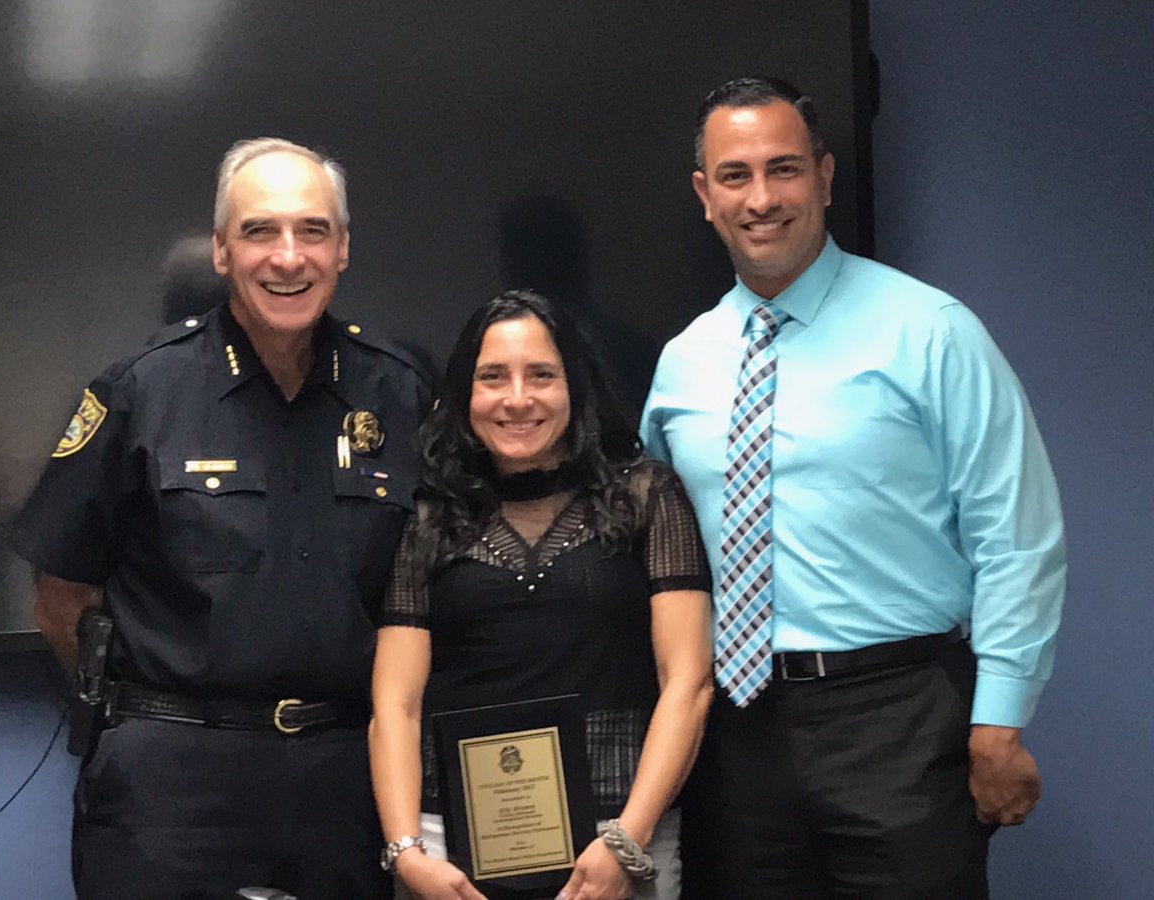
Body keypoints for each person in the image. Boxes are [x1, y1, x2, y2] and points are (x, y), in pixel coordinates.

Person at [640, 77, 1067, 898]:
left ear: (826, 177)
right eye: (735, 175)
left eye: (785, 168)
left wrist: (999, 719)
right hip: (733, 739)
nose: (761, 198)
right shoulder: (683, 363)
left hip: (901, 721)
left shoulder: (931, 332)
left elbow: (1018, 537)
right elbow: (659, 554)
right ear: (704, 195)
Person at [12, 137, 429, 899]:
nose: (288, 257)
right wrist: (151, 715)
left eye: (312, 231)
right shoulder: (142, 391)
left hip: (346, 777)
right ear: (221, 251)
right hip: (172, 784)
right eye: (259, 231)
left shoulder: (398, 394)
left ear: (342, 249)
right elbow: (60, 596)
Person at [369, 290, 713, 900]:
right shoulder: (429, 518)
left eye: (541, 375)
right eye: (493, 377)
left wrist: (628, 842)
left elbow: (688, 682)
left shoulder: (645, 497)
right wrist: (407, 853)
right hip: (450, 849)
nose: (517, 398)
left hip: (617, 841)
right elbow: (397, 704)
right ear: (464, 394)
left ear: (575, 386)